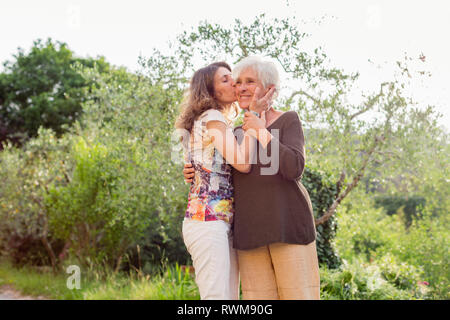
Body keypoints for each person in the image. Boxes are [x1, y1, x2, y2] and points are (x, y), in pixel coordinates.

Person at [183, 56, 320, 300]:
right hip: (249, 237)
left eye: (250, 81)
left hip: (287, 227)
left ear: (269, 89)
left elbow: (294, 168)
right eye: (238, 82)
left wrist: (260, 131)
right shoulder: (234, 132)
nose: (241, 87)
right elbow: (221, 173)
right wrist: (192, 170)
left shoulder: (288, 120)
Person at [175, 61, 274, 300]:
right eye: (226, 79)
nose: (235, 83)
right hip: (207, 222)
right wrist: (255, 116)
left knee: (228, 298)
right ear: (211, 90)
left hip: (220, 221)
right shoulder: (212, 117)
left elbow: (203, 166)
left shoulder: (216, 121)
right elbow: (242, 162)